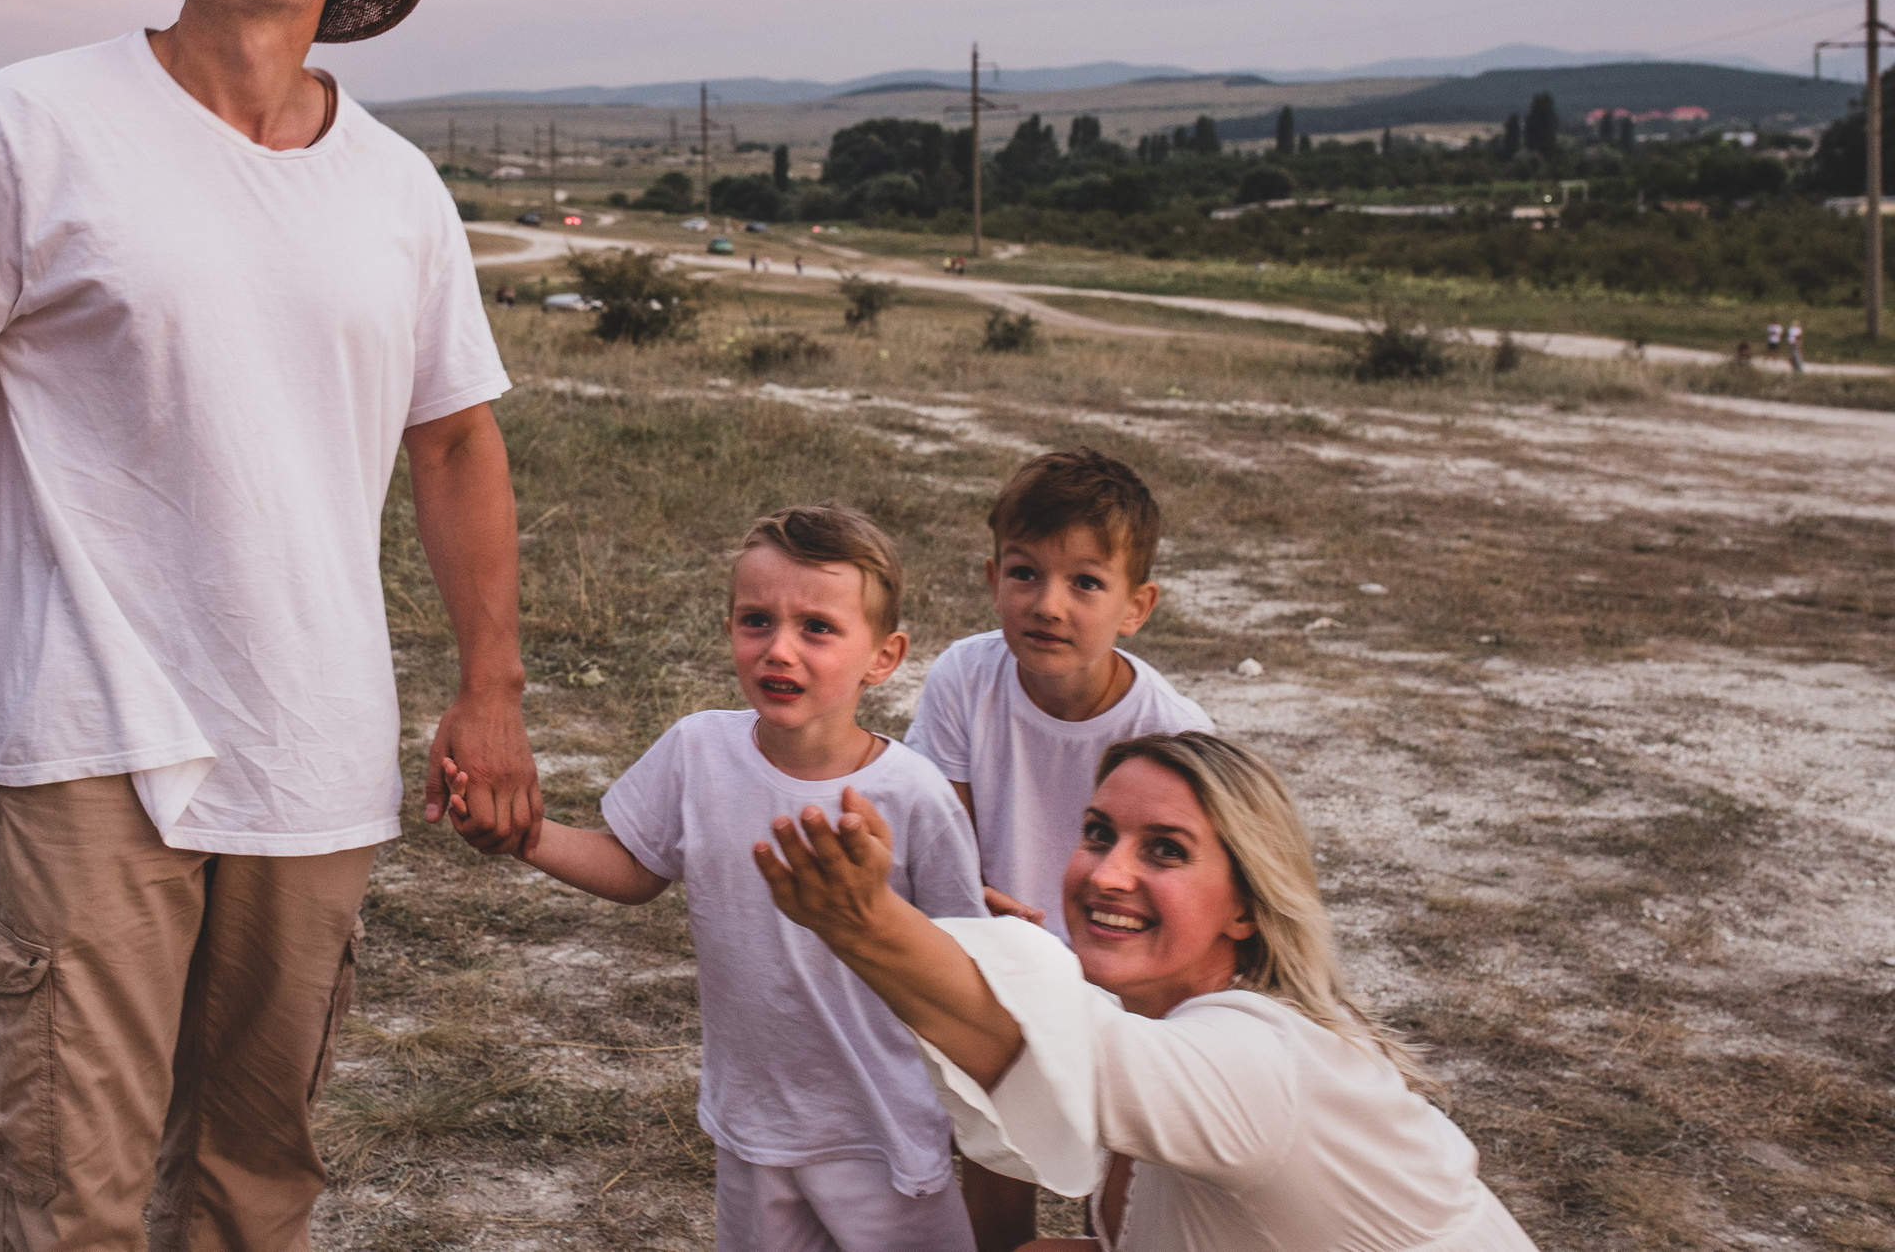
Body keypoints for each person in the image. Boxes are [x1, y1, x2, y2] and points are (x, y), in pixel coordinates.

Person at [0, 0, 543, 1251]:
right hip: (92, 724)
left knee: (256, 1176)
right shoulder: (29, 122)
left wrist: (492, 688)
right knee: (73, 1179)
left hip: (314, 738)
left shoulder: (398, 188)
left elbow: (456, 443)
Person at [756, 733, 1539, 1252]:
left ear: (1246, 906)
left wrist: (869, 922)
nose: (1105, 872)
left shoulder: (1261, 1062)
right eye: (1098, 832)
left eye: (1164, 849)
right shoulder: (1179, 1034)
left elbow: (1045, 1047)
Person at [446, 506, 987, 1251]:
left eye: (818, 628)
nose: (779, 649)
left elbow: (967, 968)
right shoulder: (699, 749)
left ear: (884, 656)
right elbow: (637, 866)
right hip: (752, 1125)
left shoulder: (912, 795)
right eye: (756, 620)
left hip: (882, 1131)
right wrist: (522, 835)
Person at [904, 451, 1212, 1249]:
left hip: (1124, 967)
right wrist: (974, 902)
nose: (1048, 604)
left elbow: (1187, 892)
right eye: (1024, 572)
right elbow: (941, 833)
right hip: (998, 953)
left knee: (1117, 1185)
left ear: (1136, 605)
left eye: (1085, 582)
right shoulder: (965, 678)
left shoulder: (1175, 733)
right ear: (991, 575)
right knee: (993, 1141)